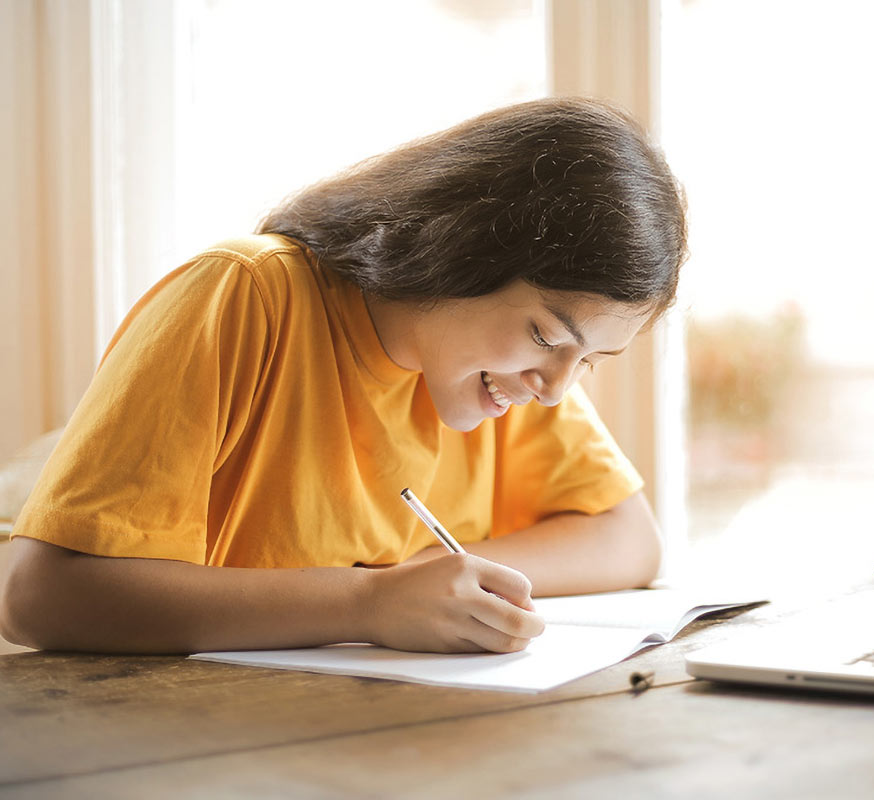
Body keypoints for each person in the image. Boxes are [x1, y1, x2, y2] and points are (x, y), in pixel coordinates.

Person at [0, 97, 687, 657]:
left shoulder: (509, 376)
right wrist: (368, 602)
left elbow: (629, 539)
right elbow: (40, 596)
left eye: (589, 361)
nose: (557, 388)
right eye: (546, 336)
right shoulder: (244, 295)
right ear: (459, 249)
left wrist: (434, 579)